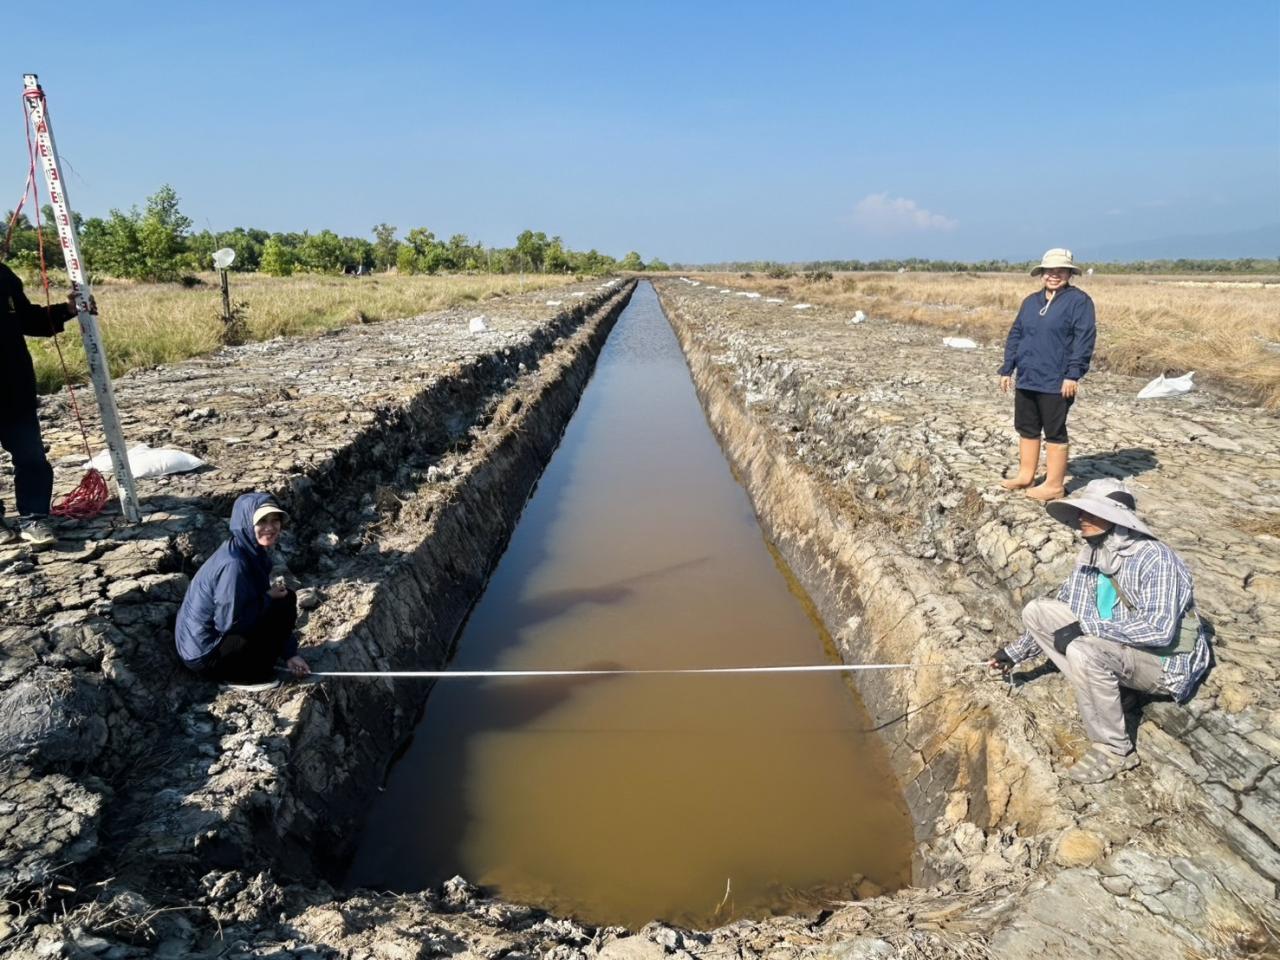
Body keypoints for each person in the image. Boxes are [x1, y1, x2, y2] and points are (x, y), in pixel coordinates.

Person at [988, 479, 1211, 783]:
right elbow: (1066, 609)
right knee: (1037, 611)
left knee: (1083, 650)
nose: (1081, 520)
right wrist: (1013, 655)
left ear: (1117, 520)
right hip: (1118, 648)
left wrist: (1086, 628)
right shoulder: (1092, 556)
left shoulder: (1155, 558)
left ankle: (1115, 749)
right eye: (1081, 513)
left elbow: (1159, 630)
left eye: (1091, 514)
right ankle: (1116, 690)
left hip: (1162, 663)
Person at [175, 492, 311, 688]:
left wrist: (291, 654)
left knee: (284, 599)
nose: (270, 527)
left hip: (211, 640)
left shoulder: (250, 551)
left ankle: (258, 660)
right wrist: (266, 599)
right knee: (274, 606)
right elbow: (228, 623)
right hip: (204, 655)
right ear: (246, 523)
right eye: (262, 521)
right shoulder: (235, 565)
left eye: (275, 520)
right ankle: (242, 676)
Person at [997, 248, 1097, 501]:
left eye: (1060, 271)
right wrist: (1008, 368)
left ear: (1069, 274)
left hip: (1057, 380)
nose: (1054, 275)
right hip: (1028, 376)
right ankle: (1026, 475)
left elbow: (1084, 340)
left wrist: (1073, 374)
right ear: (1041, 274)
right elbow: (1016, 334)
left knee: (1054, 430)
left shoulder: (1079, 301)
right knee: (1026, 427)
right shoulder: (1031, 302)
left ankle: (1054, 485)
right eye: (1049, 271)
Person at [1, 261, 80, 548]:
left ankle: (34, 517)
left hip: (13, 386)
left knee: (31, 456)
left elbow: (26, 319)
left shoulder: (3, 275)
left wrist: (67, 310)